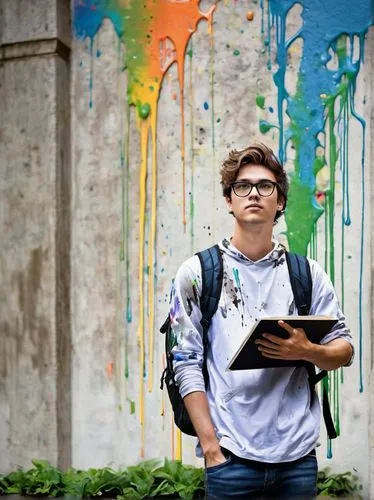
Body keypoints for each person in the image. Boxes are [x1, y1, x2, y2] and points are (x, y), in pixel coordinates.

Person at [168, 143, 354, 499]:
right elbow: (184, 360)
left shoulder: (307, 274)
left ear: (280, 201)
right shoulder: (197, 273)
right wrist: (211, 448)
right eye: (242, 186)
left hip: (298, 460)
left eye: (265, 186)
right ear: (229, 200)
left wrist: (309, 350)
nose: (254, 193)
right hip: (230, 458)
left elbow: (344, 348)